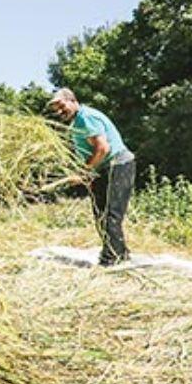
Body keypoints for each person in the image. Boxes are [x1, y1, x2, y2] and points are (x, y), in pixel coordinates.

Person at [48, 88, 135, 266]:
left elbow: (103, 149)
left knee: (110, 214)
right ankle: (119, 253)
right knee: (100, 213)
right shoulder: (78, 121)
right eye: (55, 109)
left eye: (61, 106)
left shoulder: (85, 118)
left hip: (117, 165)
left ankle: (112, 259)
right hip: (102, 169)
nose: (59, 111)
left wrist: (84, 171)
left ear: (72, 100)